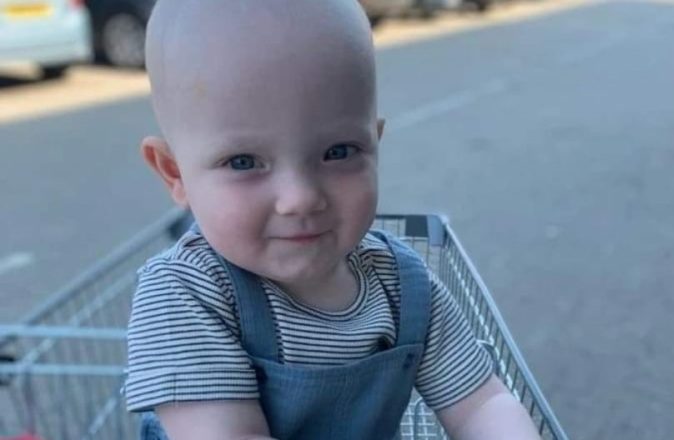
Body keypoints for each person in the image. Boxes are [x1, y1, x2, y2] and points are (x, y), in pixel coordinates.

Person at [124, 1, 542, 439]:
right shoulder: (186, 296)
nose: (300, 197)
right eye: (243, 161)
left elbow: (481, 402)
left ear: (374, 145)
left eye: (338, 152)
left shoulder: (404, 288)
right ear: (175, 173)